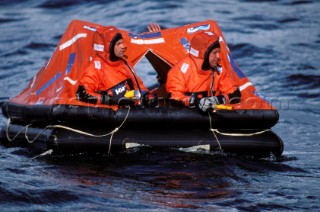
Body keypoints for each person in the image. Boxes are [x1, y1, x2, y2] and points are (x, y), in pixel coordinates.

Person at [166, 30, 241, 112]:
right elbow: (173, 98)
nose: (218, 56)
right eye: (215, 53)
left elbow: (235, 94)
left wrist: (217, 100)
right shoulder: (180, 71)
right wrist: (195, 102)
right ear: (204, 54)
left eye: (219, 52)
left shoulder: (219, 71)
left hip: (211, 118)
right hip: (186, 117)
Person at [76, 26, 149, 107]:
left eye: (122, 42)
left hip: (132, 109)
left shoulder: (125, 63)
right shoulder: (96, 68)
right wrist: (112, 100)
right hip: (113, 112)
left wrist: (145, 95)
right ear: (109, 47)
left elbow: (138, 84)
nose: (123, 46)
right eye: (118, 44)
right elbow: (82, 94)